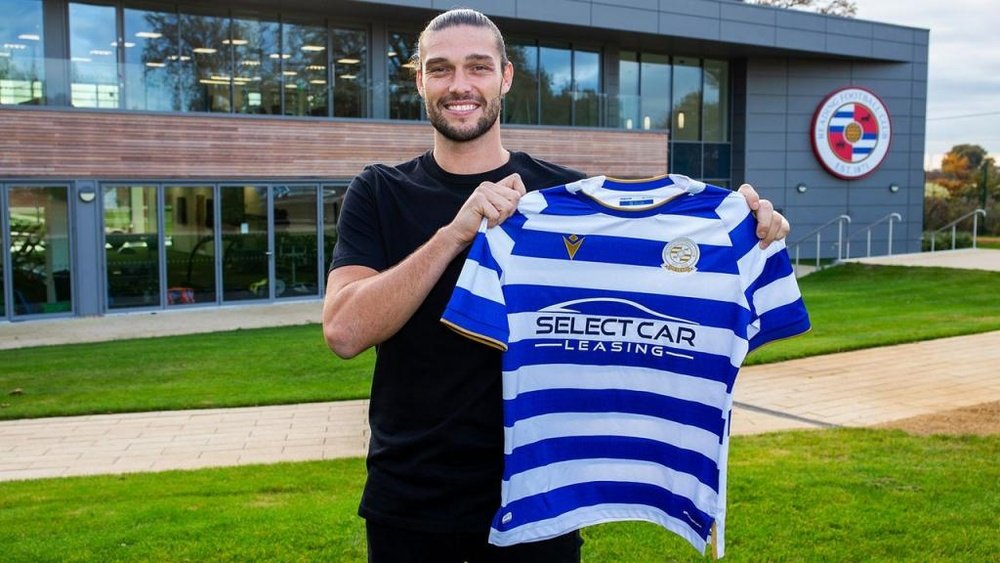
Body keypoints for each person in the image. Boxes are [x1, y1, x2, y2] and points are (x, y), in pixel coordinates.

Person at [323, 9, 790, 562]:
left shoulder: (566, 200)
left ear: (506, 77)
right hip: (413, 500)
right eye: (441, 69)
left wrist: (738, 233)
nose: (460, 85)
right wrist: (456, 232)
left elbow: (650, 295)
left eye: (478, 67)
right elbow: (345, 332)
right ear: (420, 80)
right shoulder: (379, 191)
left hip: (544, 497)